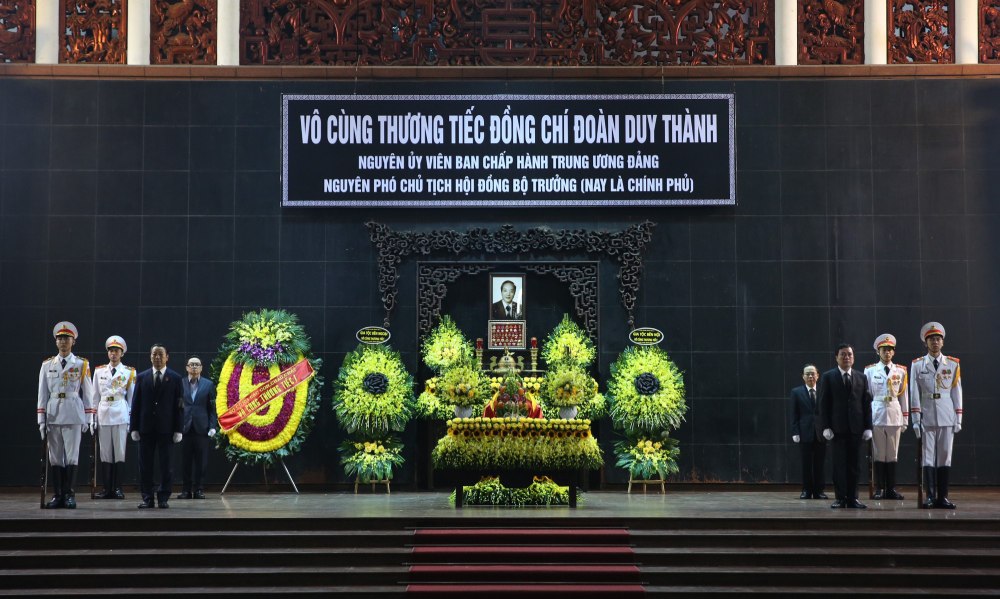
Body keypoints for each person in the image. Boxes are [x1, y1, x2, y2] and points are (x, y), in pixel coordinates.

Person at [37, 322, 96, 509]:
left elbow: (89, 393)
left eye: (66, 338)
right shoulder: (47, 365)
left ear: (73, 341)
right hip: (53, 414)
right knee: (55, 457)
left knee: (71, 456)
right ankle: (58, 494)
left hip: (73, 413)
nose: (63, 341)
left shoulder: (81, 364)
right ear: (56, 342)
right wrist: (41, 419)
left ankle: (70, 494)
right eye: (60, 338)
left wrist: (89, 417)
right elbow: (42, 393)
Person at [910, 322, 962, 509]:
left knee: (945, 456)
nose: (935, 342)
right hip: (927, 415)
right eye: (931, 339)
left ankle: (943, 497)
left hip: (947, 414)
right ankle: (931, 496)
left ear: (943, 342)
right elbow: (914, 392)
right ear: (926, 343)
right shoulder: (917, 364)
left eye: (938, 339)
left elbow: (957, 391)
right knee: (928, 456)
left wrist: (959, 417)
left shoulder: (953, 363)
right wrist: (915, 420)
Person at [818, 343, 873, 509]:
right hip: (837, 429)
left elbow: (866, 404)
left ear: (853, 357)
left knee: (855, 466)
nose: (846, 357)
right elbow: (823, 404)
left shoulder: (861, 377)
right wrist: (825, 426)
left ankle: (853, 498)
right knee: (839, 466)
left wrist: (868, 426)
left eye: (849, 354)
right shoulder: (828, 377)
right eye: (843, 354)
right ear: (836, 357)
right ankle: (840, 498)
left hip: (856, 429)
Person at [129, 344, 184, 509]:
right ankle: (147, 498)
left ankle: (163, 498)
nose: (157, 358)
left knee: (166, 466)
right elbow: (136, 403)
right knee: (145, 466)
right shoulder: (142, 377)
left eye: (161, 354)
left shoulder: (175, 378)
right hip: (146, 428)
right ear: (150, 356)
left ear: (167, 357)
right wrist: (134, 427)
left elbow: (180, 405)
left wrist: (178, 429)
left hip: (166, 429)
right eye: (154, 354)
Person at [863, 334, 909, 500]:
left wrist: (905, 419)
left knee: (892, 454)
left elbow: (904, 396)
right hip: (877, 412)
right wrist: (866, 421)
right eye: (884, 350)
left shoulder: (901, 371)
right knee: (878, 454)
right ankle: (879, 488)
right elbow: (866, 396)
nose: (887, 352)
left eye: (890, 350)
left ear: (893, 352)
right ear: (878, 352)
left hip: (895, 413)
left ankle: (891, 489)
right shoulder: (869, 370)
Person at [91, 335, 136, 499]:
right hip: (103, 412)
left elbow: (132, 399)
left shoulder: (129, 372)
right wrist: (92, 418)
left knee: (119, 452)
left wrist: (131, 419)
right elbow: (94, 396)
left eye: (116, 351)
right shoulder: (99, 370)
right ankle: (106, 488)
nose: (113, 354)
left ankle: (117, 488)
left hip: (120, 413)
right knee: (105, 453)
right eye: (110, 351)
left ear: (122, 353)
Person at [177, 356, 217, 500]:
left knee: (201, 462)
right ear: (187, 367)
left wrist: (213, 426)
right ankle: (186, 490)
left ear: (201, 368)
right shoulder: (180, 383)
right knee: (185, 462)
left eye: (197, 365)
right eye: (191, 365)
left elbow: (212, 408)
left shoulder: (208, 384)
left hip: (202, 428)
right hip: (185, 429)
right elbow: (176, 407)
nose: (194, 367)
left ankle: (199, 489)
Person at [789, 364, 827, 500]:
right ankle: (806, 490)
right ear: (803, 377)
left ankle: (819, 491)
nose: (810, 376)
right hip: (804, 433)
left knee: (819, 464)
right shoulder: (796, 392)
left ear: (817, 375)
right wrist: (795, 432)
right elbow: (794, 414)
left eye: (813, 373)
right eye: (807, 374)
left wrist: (828, 428)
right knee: (806, 464)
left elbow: (827, 412)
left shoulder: (823, 391)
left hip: (821, 433)